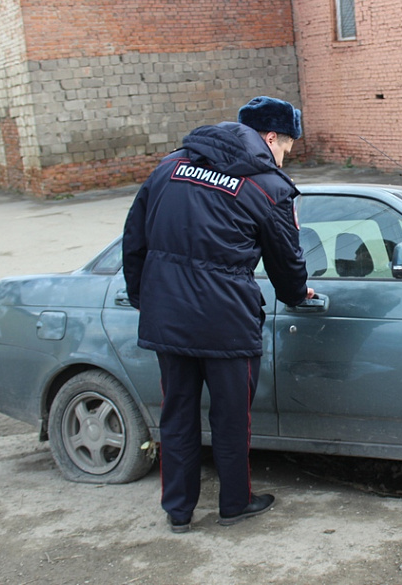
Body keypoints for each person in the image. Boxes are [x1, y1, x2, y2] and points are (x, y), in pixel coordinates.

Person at [122, 96, 314, 533]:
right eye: (285, 148)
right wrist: (298, 294)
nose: (283, 158)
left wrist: (143, 299)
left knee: (177, 415)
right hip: (227, 321)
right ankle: (234, 504)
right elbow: (285, 261)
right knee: (230, 419)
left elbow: (134, 240)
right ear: (270, 137)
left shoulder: (168, 168)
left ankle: (178, 511)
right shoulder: (268, 186)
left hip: (167, 316)